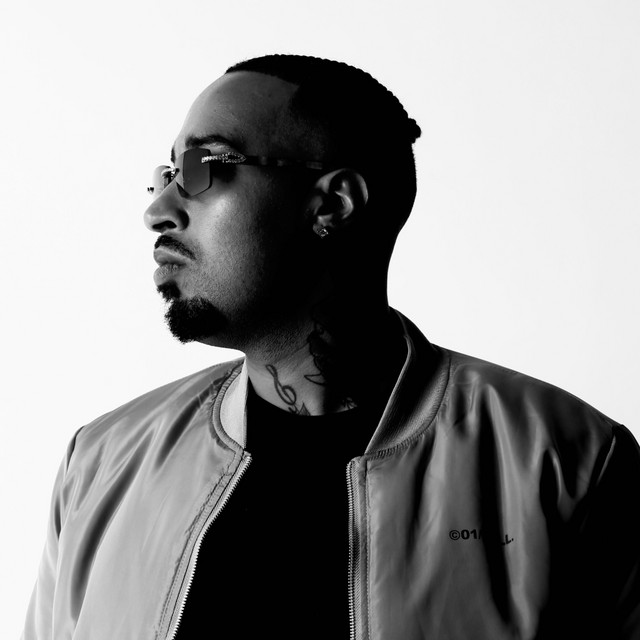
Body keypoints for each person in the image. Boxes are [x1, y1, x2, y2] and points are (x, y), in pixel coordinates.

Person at [22, 54, 640, 640]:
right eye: (166, 175)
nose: (158, 210)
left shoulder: (569, 462)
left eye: (203, 166)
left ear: (333, 203)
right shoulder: (100, 465)